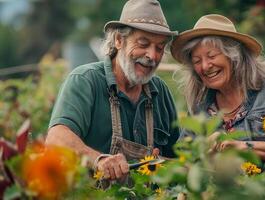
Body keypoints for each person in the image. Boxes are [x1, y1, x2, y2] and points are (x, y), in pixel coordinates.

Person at [45, 0, 180, 181]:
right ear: (118, 40)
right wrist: (98, 160)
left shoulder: (160, 92)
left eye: (159, 48)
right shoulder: (86, 80)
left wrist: (163, 162)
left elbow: (178, 158)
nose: (152, 56)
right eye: (143, 43)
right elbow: (56, 139)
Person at [170, 14, 265, 161]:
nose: (205, 66)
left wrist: (244, 147)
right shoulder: (200, 106)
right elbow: (184, 160)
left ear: (234, 56)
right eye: (197, 61)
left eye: (212, 56)